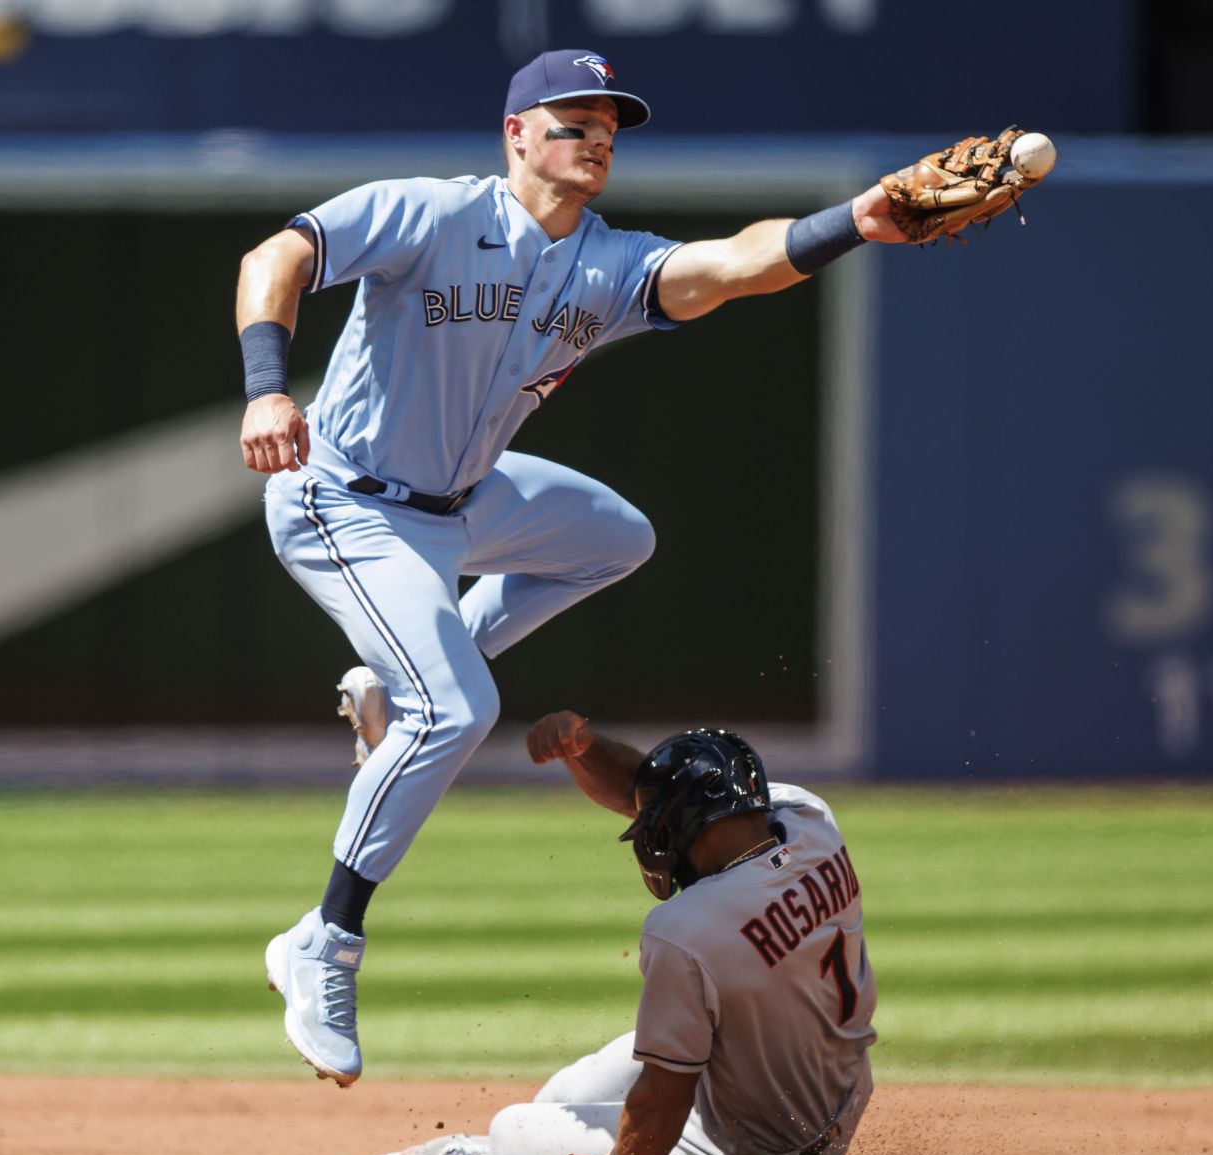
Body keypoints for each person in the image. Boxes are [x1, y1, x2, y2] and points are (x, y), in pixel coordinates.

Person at [241, 48, 907, 1086]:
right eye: (570, 121)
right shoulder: (427, 213)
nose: (594, 137)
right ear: (515, 135)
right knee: (456, 712)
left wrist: (858, 220)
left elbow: (738, 263)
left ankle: (396, 674)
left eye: (607, 125)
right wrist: (266, 387)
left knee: (616, 537)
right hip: (344, 499)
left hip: (461, 505)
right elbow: (273, 257)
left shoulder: (604, 263)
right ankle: (322, 940)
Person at [338, 711, 877, 1155]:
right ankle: (537, 1151)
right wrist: (586, 747)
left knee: (510, 1132)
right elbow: (667, 796)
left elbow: (663, 1103)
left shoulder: (688, 928)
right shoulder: (809, 818)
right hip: (837, 1096)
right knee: (572, 1091)